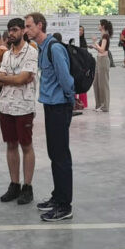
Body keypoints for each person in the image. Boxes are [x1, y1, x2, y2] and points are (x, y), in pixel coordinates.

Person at [25, 12, 77, 222]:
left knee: (61, 155)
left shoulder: (54, 48)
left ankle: (65, 206)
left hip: (59, 107)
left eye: (29, 26)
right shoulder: (42, 48)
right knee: (54, 154)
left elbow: (66, 79)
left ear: (40, 25)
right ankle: (58, 197)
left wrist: (68, 100)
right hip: (51, 105)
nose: (26, 30)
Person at [0, 17, 39, 205]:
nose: (11, 33)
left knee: (26, 146)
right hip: (5, 106)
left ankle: (27, 187)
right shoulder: (6, 54)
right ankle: (14, 184)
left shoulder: (31, 52)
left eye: (14, 30)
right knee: (10, 145)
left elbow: (23, 79)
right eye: (9, 30)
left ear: (23, 31)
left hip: (23, 107)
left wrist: (8, 78)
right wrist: (13, 78)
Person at [92, 19, 112, 112]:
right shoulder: (103, 36)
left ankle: (105, 106)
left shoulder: (105, 35)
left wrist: (95, 42)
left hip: (103, 60)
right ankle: (99, 104)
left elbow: (102, 50)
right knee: (96, 83)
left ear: (103, 26)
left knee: (103, 84)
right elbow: (101, 49)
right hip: (99, 60)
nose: (98, 26)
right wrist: (94, 46)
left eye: (99, 24)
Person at [75, 25, 89, 110]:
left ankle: (83, 103)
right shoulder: (73, 41)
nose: (80, 31)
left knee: (82, 84)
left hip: (82, 66)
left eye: (82, 30)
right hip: (74, 65)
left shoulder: (83, 42)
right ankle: (74, 102)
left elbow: (86, 55)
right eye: (79, 30)